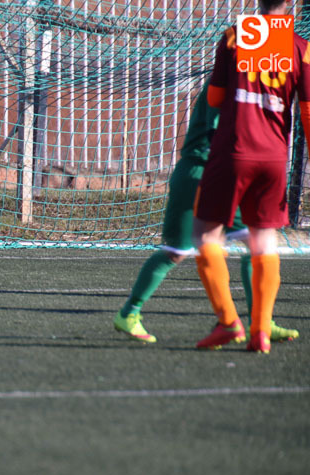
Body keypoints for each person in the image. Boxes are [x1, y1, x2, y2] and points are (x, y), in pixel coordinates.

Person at [114, 82, 299, 344]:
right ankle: (129, 313)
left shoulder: (253, 84)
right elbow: (227, 132)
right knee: (177, 251)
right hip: (199, 173)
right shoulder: (227, 84)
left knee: (256, 243)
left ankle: (260, 322)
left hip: (226, 174)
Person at [193, 0, 310, 353]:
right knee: (264, 239)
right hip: (274, 157)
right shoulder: (301, 48)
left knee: (205, 233)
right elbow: (307, 110)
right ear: (291, 4)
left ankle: (229, 321)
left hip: (234, 149)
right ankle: (261, 330)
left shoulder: (235, 37)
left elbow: (215, 98)